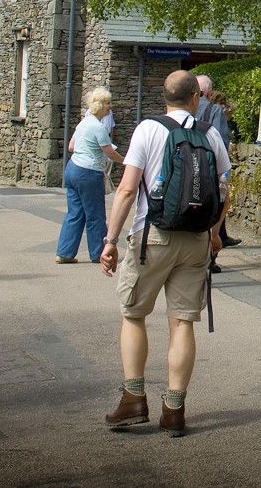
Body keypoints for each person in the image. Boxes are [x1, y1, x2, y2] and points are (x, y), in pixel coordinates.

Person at [99, 70, 230, 437]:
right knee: (183, 321)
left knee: (134, 314)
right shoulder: (210, 134)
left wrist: (110, 241)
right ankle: (174, 409)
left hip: (151, 237)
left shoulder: (147, 130)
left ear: (164, 98)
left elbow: (126, 190)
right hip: (195, 240)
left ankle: (133, 399)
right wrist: (214, 233)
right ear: (195, 99)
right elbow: (223, 190)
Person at [57, 86, 125, 264]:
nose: (110, 107)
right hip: (89, 173)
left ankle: (64, 252)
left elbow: (71, 147)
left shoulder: (83, 123)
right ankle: (98, 254)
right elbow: (109, 153)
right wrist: (126, 161)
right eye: (108, 103)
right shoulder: (98, 127)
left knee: (74, 213)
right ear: (100, 105)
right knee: (96, 215)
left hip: (72, 169)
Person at [195, 74, 240, 263]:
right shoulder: (214, 111)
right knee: (215, 207)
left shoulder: (181, 109)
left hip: (188, 169)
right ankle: (210, 258)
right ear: (208, 92)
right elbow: (222, 141)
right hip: (209, 170)